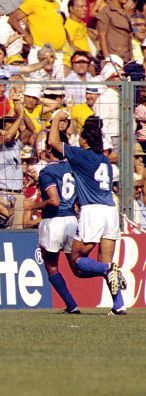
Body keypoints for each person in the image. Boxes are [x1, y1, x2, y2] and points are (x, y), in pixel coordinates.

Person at [48, 112, 127, 315]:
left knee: (77, 260)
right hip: (111, 211)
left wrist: (57, 119)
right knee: (106, 260)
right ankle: (119, 305)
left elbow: (53, 142)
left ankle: (106, 270)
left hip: (93, 211)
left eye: (80, 136)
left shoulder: (81, 155)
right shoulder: (105, 160)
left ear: (84, 140)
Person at [24, 135, 81, 314]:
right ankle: (104, 270)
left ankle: (72, 305)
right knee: (77, 266)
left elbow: (54, 201)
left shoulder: (47, 172)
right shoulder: (73, 168)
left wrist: (33, 205)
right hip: (72, 220)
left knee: (51, 265)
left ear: (49, 150)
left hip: (53, 222)